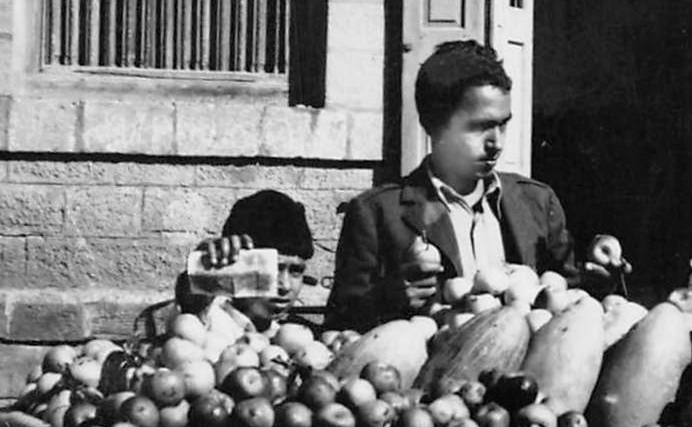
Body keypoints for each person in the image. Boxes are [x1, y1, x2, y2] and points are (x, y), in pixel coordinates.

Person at [328, 41, 597, 331]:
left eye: (503, 124)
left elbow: (570, 305)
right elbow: (340, 326)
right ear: (434, 123)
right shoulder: (377, 213)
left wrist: (600, 278)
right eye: (479, 126)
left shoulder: (537, 202)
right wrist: (387, 297)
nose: (497, 143)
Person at [181, 190, 317, 331]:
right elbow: (189, 306)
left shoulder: (290, 335)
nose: (285, 286)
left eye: (296, 272)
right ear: (237, 265)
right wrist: (201, 271)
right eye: (274, 268)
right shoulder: (209, 324)